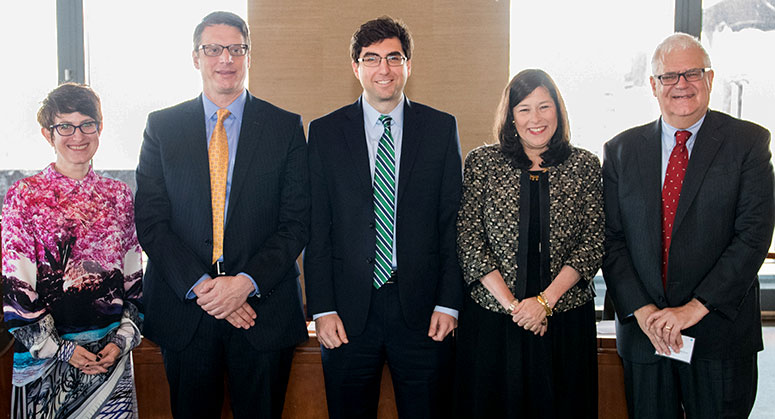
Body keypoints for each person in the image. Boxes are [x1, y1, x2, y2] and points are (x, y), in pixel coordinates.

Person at [134, 11, 309, 418]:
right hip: (186, 310)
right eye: (213, 49)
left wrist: (244, 284)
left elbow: (295, 223)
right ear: (196, 57)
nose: (225, 59)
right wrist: (205, 288)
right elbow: (152, 221)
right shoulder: (162, 127)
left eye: (236, 49)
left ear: (249, 56)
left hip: (262, 311)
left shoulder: (285, 127)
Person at [603, 33, 774, 418]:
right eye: (669, 76)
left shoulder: (748, 143)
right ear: (653, 85)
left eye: (692, 74)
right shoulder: (620, 151)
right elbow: (611, 241)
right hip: (646, 337)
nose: (681, 84)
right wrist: (645, 313)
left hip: (719, 335)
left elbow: (752, 237)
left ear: (710, 79)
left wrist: (692, 310)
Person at [304, 16, 463, 418]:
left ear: (409, 64)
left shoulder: (441, 129)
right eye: (371, 59)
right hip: (347, 314)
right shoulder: (324, 133)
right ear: (355, 67)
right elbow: (317, 229)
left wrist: (448, 303)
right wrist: (322, 309)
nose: (384, 69)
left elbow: (451, 224)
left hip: (424, 313)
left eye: (394, 58)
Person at [455, 69, 603, 418]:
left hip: (564, 319)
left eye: (544, 107)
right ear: (510, 116)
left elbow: (593, 240)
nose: (535, 119)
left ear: (558, 111)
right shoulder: (482, 163)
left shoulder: (584, 165)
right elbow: (469, 239)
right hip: (494, 319)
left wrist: (543, 303)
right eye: (524, 109)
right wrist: (515, 308)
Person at [1, 83, 143, 418]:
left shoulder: (119, 196)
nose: (77, 135)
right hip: (44, 362)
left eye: (86, 124)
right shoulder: (24, 196)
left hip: (110, 358)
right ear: (47, 134)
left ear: (100, 127)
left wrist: (121, 341)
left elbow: (134, 281)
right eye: (64, 126)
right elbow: (14, 289)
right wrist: (62, 350)